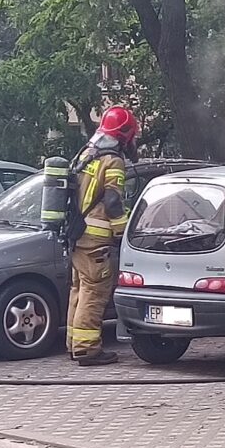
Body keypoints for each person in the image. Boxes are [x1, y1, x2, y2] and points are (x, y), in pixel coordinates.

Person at [66, 106, 139, 366]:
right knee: (94, 292)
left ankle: (74, 344)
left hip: (77, 235)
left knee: (79, 289)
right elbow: (112, 202)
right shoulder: (113, 161)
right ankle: (87, 349)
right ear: (125, 134)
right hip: (96, 238)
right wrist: (122, 232)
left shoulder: (86, 155)